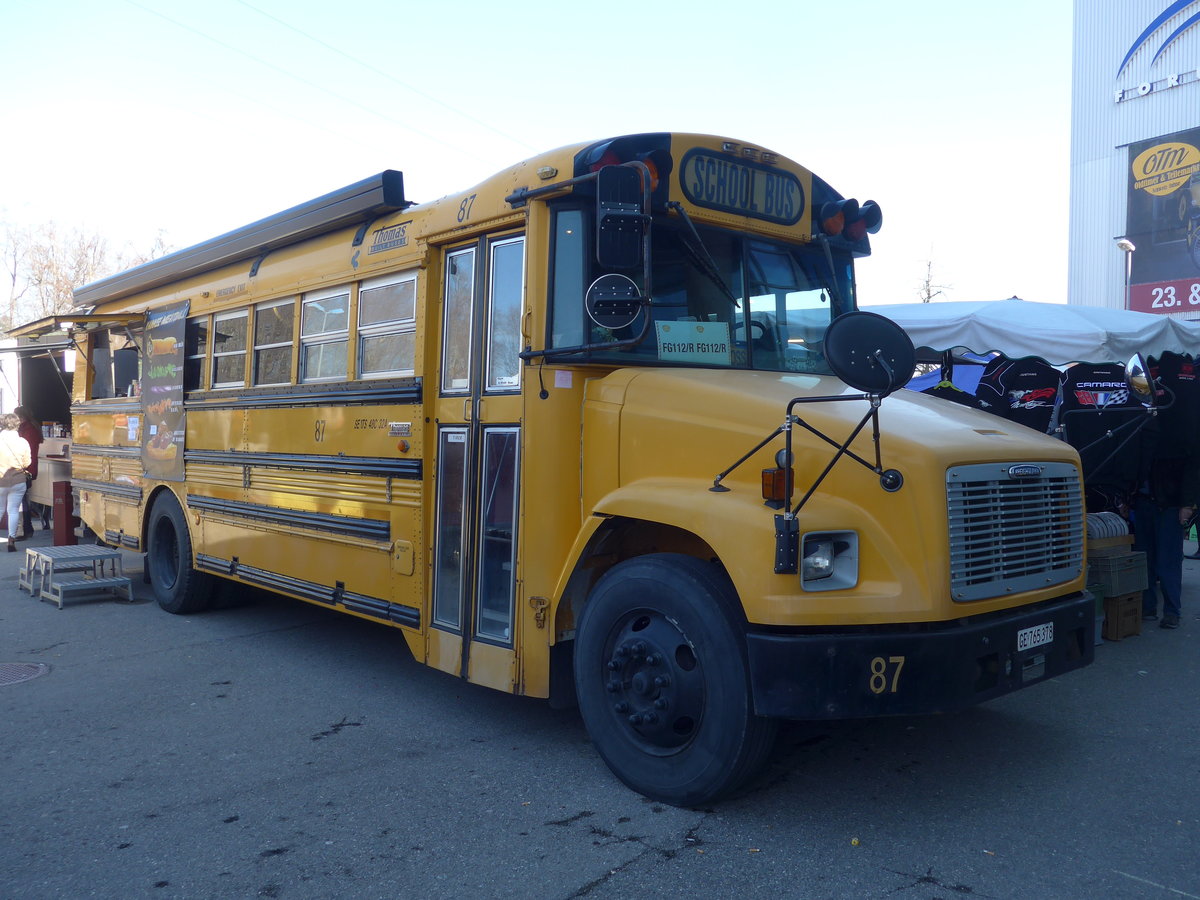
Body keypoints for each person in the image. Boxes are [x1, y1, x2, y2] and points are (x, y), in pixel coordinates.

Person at [0, 413, 32, 553]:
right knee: (13, 510)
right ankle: (11, 540)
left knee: (0, 509)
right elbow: (27, 462)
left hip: (1, 480)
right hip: (18, 480)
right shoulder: (23, 442)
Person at [14, 406, 42, 537]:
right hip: (27, 468)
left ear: (20, 417)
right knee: (23, 499)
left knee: (22, 501)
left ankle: (26, 529)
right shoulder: (30, 428)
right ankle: (26, 528)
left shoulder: (28, 430)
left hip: (25, 469)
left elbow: (25, 451)